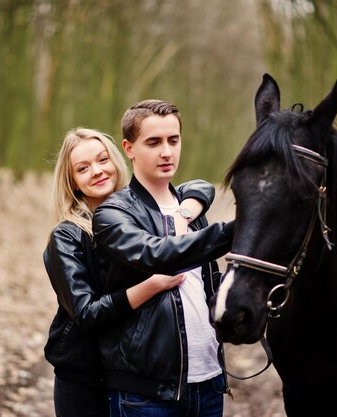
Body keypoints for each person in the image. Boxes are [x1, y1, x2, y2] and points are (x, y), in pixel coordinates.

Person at [43, 127, 216, 417]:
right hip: (86, 375)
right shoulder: (68, 236)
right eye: (83, 168)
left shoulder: (140, 213)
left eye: (102, 160)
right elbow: (86, 313)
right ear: (71, 181)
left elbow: (195, 187)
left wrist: (188, 209)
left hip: (134, 370)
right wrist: (153, 284)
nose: (97, 171)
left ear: (117, 159)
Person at [93, 100, 235, 417]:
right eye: (153, 142)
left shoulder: (192, 210)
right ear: (129, 148)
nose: (166, 152)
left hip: (210, 384)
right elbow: (159, 255)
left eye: (173, 140)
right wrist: (239, 229)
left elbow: (209, 285)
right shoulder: (113, 214)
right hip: (146, 395)